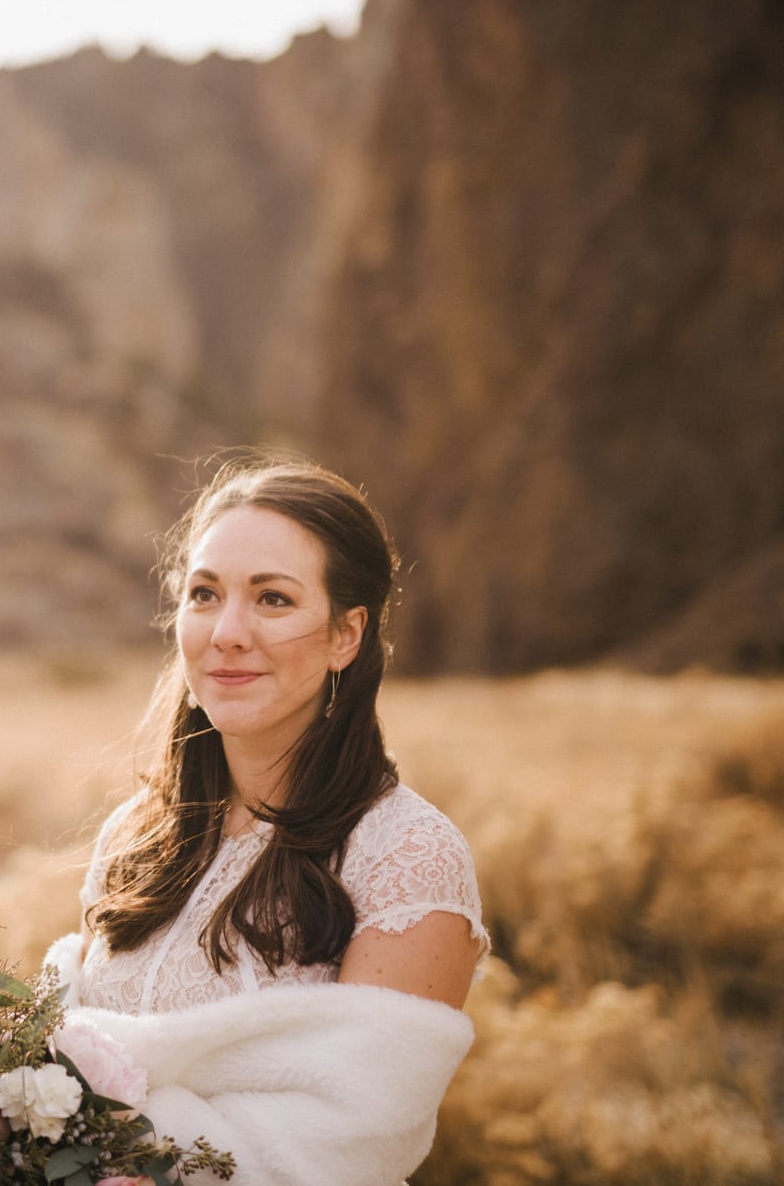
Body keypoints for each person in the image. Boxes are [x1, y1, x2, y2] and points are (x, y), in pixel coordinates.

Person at [45, 456, 488, 1186]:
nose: (227, 631)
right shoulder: (133, 835)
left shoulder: (408, 855)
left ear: (347, 634)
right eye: (204, 593)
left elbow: (352, 1140)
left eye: (273, 599)